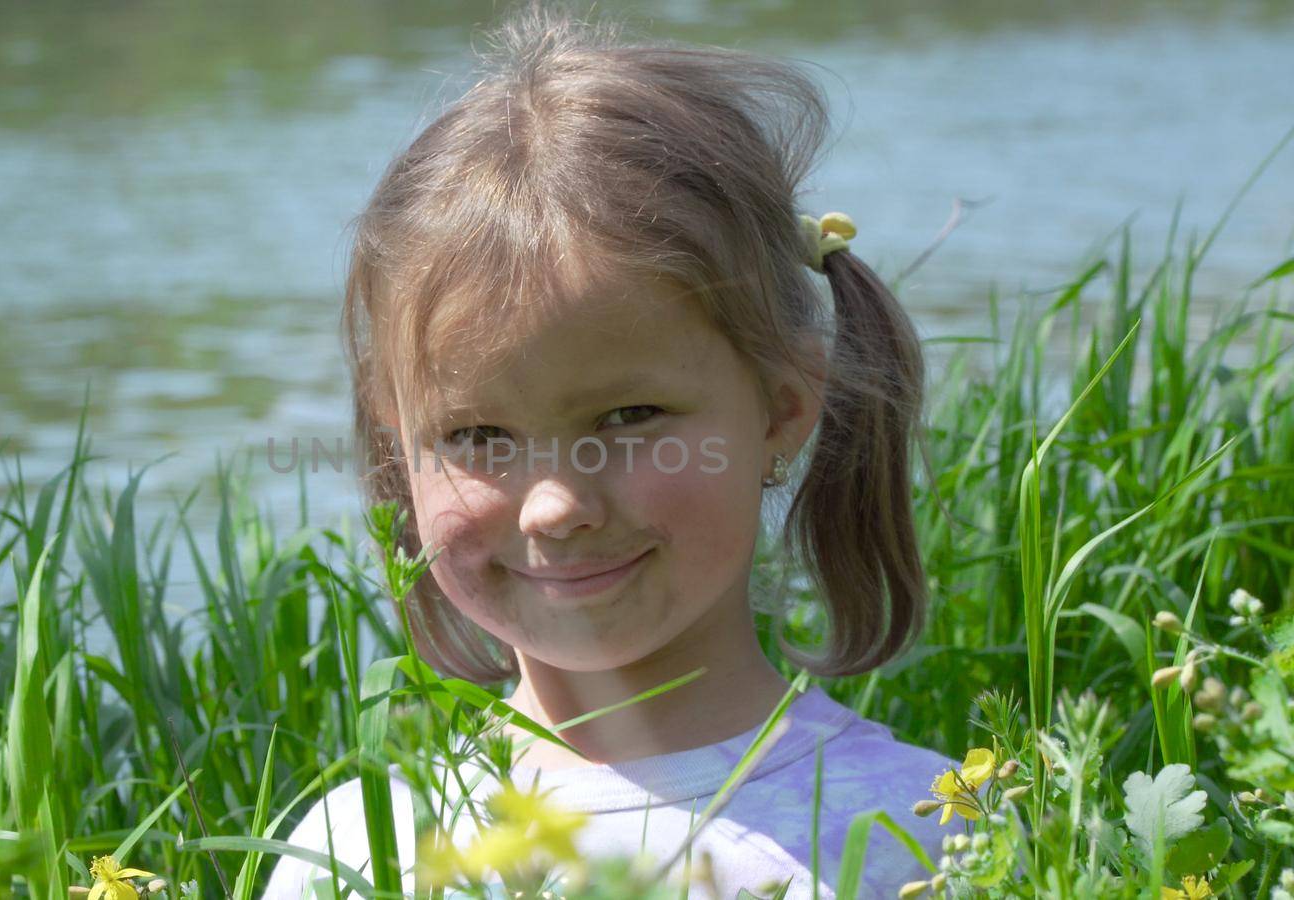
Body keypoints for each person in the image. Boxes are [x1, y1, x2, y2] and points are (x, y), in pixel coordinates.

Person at [264, 3, 965, 897]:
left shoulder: (932, 831)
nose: (555, 503)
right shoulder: (363, 850)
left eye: (628, 416)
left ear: (784, 409)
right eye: (477, 436)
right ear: (401, 443)